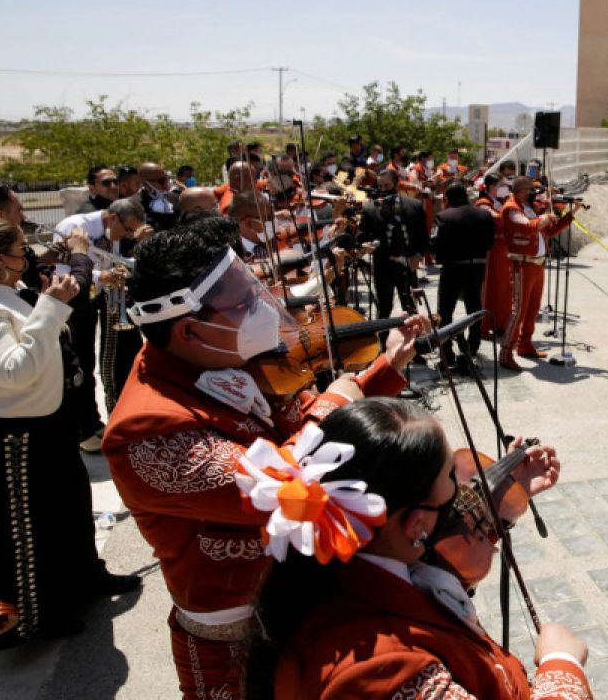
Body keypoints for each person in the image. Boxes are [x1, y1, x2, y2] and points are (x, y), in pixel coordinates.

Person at [102, 216, 423, 699]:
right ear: (190, 329)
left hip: (305, 605)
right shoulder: (150, 431)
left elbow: (300, 421)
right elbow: (285, 490)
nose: (261, 303)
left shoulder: (226, 357)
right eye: (244, 300)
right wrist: (337, 402)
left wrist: (381, 370)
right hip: (235, 643)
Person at [248, 398, 593, 699]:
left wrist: (506, 495)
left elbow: (444, 555)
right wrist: (562, 664)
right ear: (415, 524)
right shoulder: (385, 670)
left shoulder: (350, 560)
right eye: (450, 477)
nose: (465, 487)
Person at [0, 219, 139, 649]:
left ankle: (81, 583)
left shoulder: (5, 294)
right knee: (22, 536)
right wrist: (49, 307)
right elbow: (15, 371)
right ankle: (32, 622)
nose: (26, 257)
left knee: (66, 514)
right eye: (19, 251)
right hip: (5, 438)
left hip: (43, 425)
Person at [54, 199, 150, 451]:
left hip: (97, 298)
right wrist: (101, 276)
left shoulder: (111, 232)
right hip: (74, 303)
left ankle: (98, 421)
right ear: (112, 218)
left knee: (98, 360)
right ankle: (84, 428)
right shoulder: (73, 226)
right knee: (80, 362)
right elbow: (61, 271)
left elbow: (108, 262)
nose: (129, 235)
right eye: (127, 230)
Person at [499, 177, 578, 371]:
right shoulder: (511, 208)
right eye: (530, 190)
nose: (535, 194)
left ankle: (525, 344)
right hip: (522, 265)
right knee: (518, 310)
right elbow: (529, 226)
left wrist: (571, 212)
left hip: (537, 264)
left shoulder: (529, 208)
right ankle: (506, 352)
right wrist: (545, 216)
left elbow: (550, 231)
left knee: (532, 309)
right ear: (520, 192)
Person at [432, 181, 494, 372]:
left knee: (445, 310)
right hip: (477, 266)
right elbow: (490, 242)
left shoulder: (443, 216)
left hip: (453, 267)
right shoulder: (484, 215)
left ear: (446, 199)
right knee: (474, 308)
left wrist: (440, 257)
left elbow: (435, 243)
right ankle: (472, 347)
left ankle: (447, 352)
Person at [358, 169, 429, 318]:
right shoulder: (370, 209)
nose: (383, 190)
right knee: (384, 308)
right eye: (380, 186)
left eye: (387, 186)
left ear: (396, 184)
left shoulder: (414, 206)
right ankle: (383, 341)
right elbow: (362, 236)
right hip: (383, 266)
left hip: (408, 264)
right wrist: (366, 246)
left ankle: (413, 340)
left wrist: (418, 255)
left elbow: (423, 236)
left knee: (410, 308)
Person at [476, 173, 513, 341]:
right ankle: (484, 325)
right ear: (491, 187)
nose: (504, 188)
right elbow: (497, 219)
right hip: (491, 249)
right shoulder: (483, 203)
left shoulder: (500, 202)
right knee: (490, 288)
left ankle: (501, 323)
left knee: (503, 288)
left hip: (503, 249)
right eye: (501, 185)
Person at [137, 162, 179, 231]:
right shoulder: (135, 204)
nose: (166, 183)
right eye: (161, 181)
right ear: (146, 184)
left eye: (167, 179)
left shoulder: (177, 198)